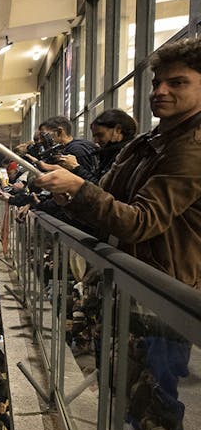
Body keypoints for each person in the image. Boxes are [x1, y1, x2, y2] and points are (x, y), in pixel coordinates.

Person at [34, 36, 201, 288]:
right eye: (156, 83)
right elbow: (106, 194)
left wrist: (77, 187)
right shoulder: (145, 142)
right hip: (134, 280)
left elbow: (140, 221)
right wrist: (70, 194)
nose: (160, 92)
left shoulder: (192, 150)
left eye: (177, 83)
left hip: (166, 294)